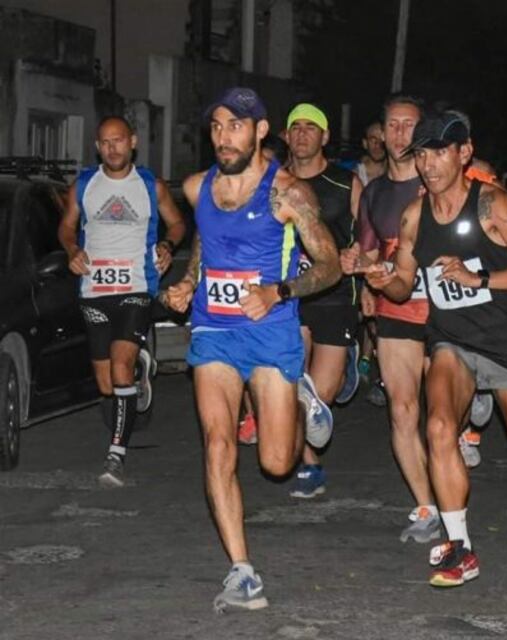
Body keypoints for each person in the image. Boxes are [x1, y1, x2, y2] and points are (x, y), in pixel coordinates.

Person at [364, 109, 507, 587]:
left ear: (463, 153)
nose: (430, 163)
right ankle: (459, 548)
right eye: (422, 153)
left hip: (504, 343)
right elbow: (401, 287)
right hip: (450, 341)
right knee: (438, 426)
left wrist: (478, 277)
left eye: (440, 151)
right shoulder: (414, 216)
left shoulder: (493, 205)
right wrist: (382, 279)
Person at [161, 87, 341, 612]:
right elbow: (204, 242)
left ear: (262, 131)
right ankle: (242, 572)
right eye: (216, 127)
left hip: (271, 330)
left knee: (277, 463)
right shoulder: (197, 188)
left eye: (235, 126)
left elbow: (330, 266)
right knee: (218, 443)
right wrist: (189, 283)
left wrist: (278, 291)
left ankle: (302, 393)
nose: (224, 137)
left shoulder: (288, 193)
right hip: (214, 329)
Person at [58, 115, 186, 488]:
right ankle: (139, 374)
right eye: (105, 142)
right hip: (94, 291)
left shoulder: (150, 185)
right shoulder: (84, 184)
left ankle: (116, 456)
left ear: (132, 141)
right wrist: (71, 249)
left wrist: (167, 244)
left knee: (119, 369)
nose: (112, 148)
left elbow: (177, 224)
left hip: (135, 288)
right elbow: (67, 225)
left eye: (118, 140)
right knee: (104, 385)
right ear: (98, 147)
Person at [341, 94, 444, 543]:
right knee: (403, 411)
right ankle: (426, 507)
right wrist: (358, 269)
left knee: (442, 415)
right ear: (381, 133)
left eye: (409, 125)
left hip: (445, 312)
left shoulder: (440, 184)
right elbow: (367, 248)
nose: (401, 133)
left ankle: (455, 467)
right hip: (396, 308)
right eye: (393, 126)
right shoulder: (376, 192)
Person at [284, 102, 363, 498]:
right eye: (294, 127)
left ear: (324, 136)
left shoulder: (346, 183)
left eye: (309, 127)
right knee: (294, 385)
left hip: (336, 297)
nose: (301, 134)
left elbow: (367, 239)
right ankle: (309, 465)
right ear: (285, 135)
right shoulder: (274, 183)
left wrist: (361, 262)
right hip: (290, 297)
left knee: (321, 397)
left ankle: (348, 363)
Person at [356, 121, 386, 185]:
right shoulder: (355, 176)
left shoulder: (396, 175)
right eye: (373, 140)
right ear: (365, 143)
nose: (378, 145)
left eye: (382, 140)